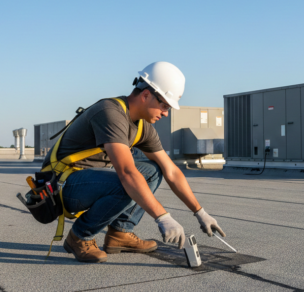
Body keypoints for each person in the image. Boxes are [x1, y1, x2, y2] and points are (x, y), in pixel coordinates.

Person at [41, 61, 225, 263]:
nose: (166, 113)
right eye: (164, 105)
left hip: (90, 181)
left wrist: (200, 212)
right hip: (62, 184)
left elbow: (170, 170)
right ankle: (80, 237)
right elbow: (127, 173)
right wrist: (163, 217)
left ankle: (120, 233)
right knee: (128, 182)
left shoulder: (142, 127)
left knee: (153, 171)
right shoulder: (110, 113)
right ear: (146, 95)